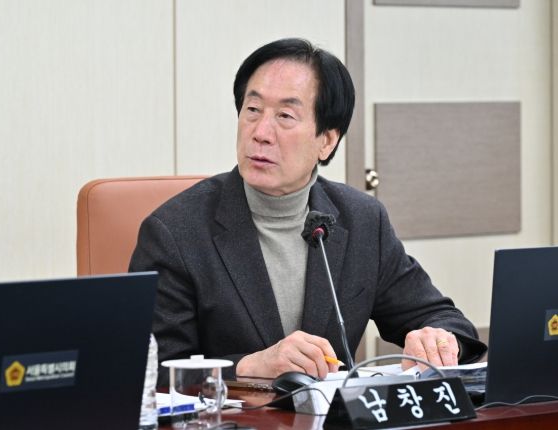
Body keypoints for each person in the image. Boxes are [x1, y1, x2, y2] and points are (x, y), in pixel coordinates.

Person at [129, 38, 487, 384]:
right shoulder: (176, 231)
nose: (260, 132)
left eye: (285, 115)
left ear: (326, 141)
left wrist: (439, 340)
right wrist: (251, 366)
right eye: (252, 110)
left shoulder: (362, 220)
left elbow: (443, 318)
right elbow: (150, 369)